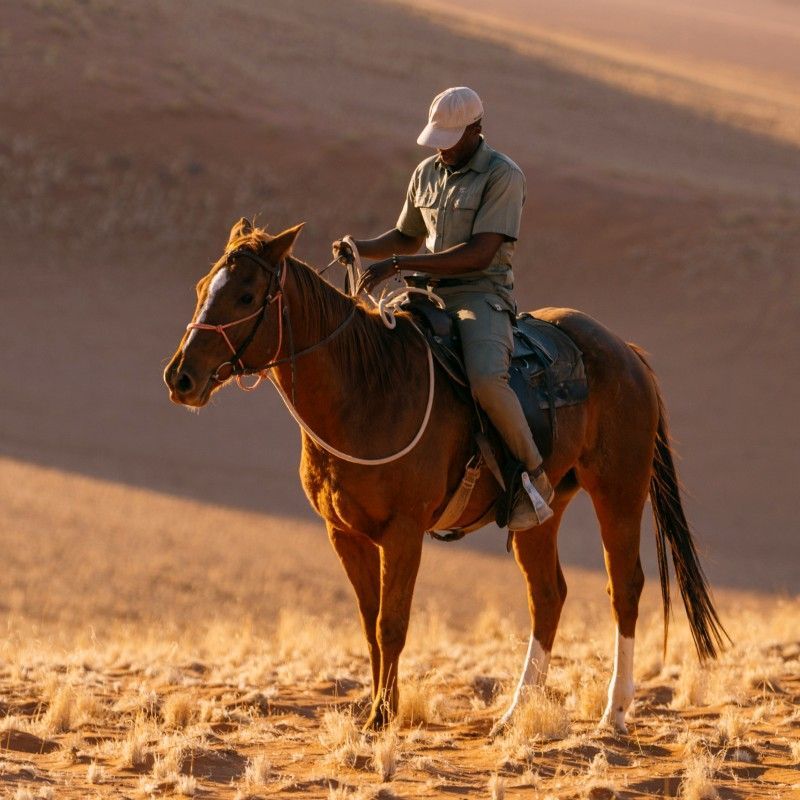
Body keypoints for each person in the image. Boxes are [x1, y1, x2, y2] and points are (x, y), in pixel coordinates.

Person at [333, 86, 554, 530]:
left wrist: (399, 264)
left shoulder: (502, 175)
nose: (442, 148)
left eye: (450, 139)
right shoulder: (426, 172)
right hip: (422, 292)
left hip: (479, 295)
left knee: (488, 382)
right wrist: (363, 247)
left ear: (476, 129)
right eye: (437, 138)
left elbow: (480, 253)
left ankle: (533, 479)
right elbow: (406, 236)